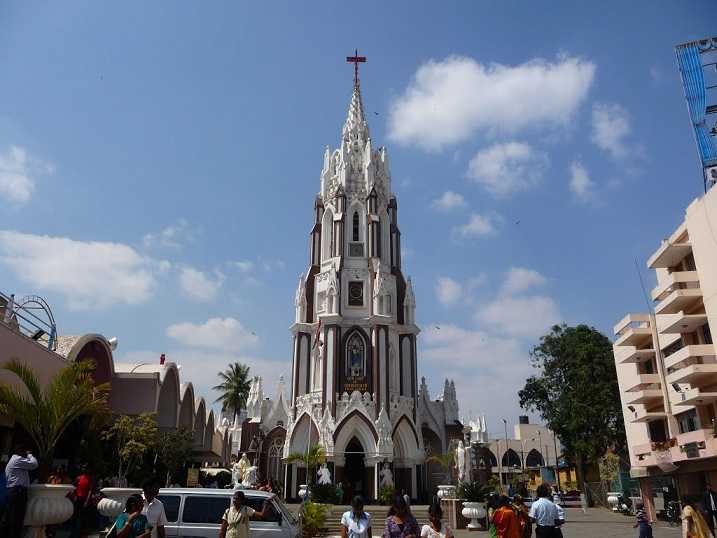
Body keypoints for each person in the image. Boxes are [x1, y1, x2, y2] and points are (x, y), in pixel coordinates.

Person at [2, 445, 38, 537]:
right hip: (18, 492)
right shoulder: (17, 460)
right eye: (24, 453)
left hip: (13, 491)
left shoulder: (14, 461)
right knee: (17, 518)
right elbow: (34, 464)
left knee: (10, 518)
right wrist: (30, 455)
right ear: (20, 452)